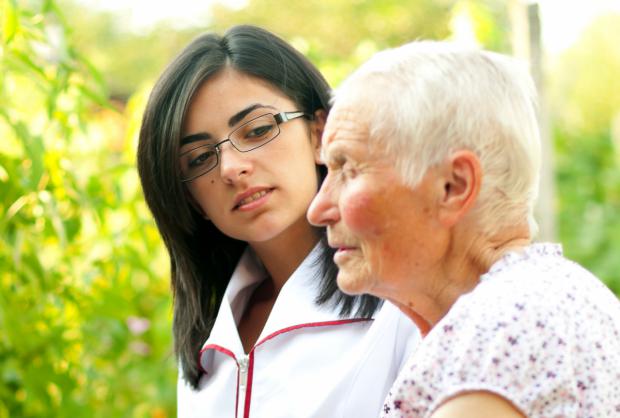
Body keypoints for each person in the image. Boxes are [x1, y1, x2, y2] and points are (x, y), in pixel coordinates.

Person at [307, 40, 620, 418]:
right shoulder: (536, 303)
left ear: (453, 186)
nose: (318, 209)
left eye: (349, 170)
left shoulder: (509, 324)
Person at [137, 25, 419, 418]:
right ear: (189, 198)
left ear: (320, 134)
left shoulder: (404, 308)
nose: (232, 168)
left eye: (257, 130)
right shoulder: (208, 349)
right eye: (200, 159)